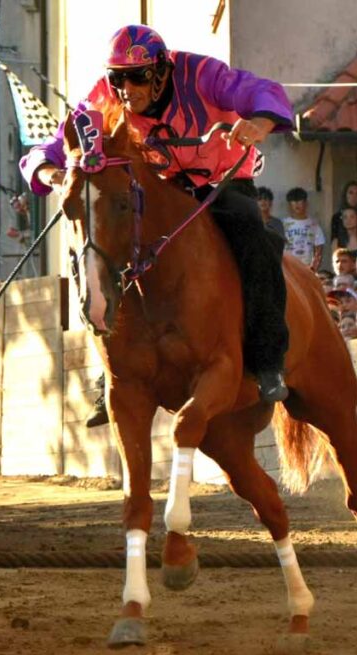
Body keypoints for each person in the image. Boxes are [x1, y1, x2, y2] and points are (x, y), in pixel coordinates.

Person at [20, 24, 294, 419]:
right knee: (114, 247)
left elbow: (259, 91)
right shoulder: (105, 97)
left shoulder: (202, 75)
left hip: (221, 183)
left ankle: (268, 359)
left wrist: (261, 123)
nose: (126, 89)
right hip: (160, 193)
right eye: (118, 79)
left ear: (161, 71)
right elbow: (54, 145)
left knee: (251, 228)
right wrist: (50, 172)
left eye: (137, 77)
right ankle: (112, 375)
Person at [282, 187, 325, 270]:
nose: (297, 204)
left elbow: (319, 250)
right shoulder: (283, 224)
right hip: (288, 268)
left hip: (307, 268)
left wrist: (313, 268)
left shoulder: (314, 225)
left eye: (300, 200)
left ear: (306, 203)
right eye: (294, 201)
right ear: (289, 204)